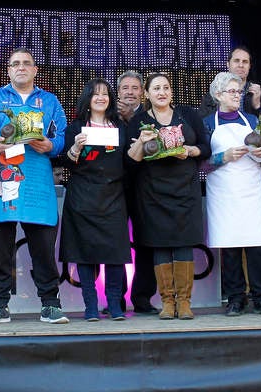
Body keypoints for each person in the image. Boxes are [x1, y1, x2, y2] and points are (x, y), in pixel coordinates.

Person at [0, 47, 69, 325]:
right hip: (4, 177)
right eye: (15, 64)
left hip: (37, 179)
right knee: (0, 243)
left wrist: (51, 146)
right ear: (8, 70)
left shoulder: (49, 101)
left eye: (26, 63)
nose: (21, 67)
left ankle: (50, 304)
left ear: (35, 70)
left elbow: (63, 135)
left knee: (43, 245)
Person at [199, 46, 261, 312]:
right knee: (229, 246)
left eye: (239, 92)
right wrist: (222, 157)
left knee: (255, 242)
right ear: (217, 94)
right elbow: (200, 162)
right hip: (223, 191)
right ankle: (235, 298)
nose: (237, 96)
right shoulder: (206, 123)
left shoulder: (252, 120)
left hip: (251, 189)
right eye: (232, 91)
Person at [126, 73, 211, 320]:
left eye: (165, 88)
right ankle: (167, 302)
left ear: (171, 92)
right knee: (159, 244)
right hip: (152, 193)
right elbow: (130, 162)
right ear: (147, 94)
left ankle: (184, 302)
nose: (161, 92)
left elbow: (205, 147)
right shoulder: (139, 121)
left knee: (184, 243)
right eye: (156, 88)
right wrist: (142, 142)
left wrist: (190, 149)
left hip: (185, 190)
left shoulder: (188, 115)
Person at [60, 78, 131, 321]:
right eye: (95, 94)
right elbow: (67, 162)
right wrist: (75, 149)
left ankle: (114, 304)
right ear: (87, 99)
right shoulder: (76, 127)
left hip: (113, 197)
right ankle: (90, 305)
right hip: (82, 197)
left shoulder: (120, 127)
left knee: (115, 253)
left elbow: (129, 163)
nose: (101, 98)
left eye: (105, 94)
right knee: (84, 252)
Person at [116, 70, 159, 314]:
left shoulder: (150, 118)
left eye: (135, 88)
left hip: (146, 189)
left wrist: (133, 117)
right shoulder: (108, 117)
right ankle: (116, 298)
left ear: (143, 93)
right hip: (115, 190)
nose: (130, 92)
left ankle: (142, 298)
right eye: (125, 88)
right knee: (116, 244)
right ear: (118, 92)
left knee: (146, 244)